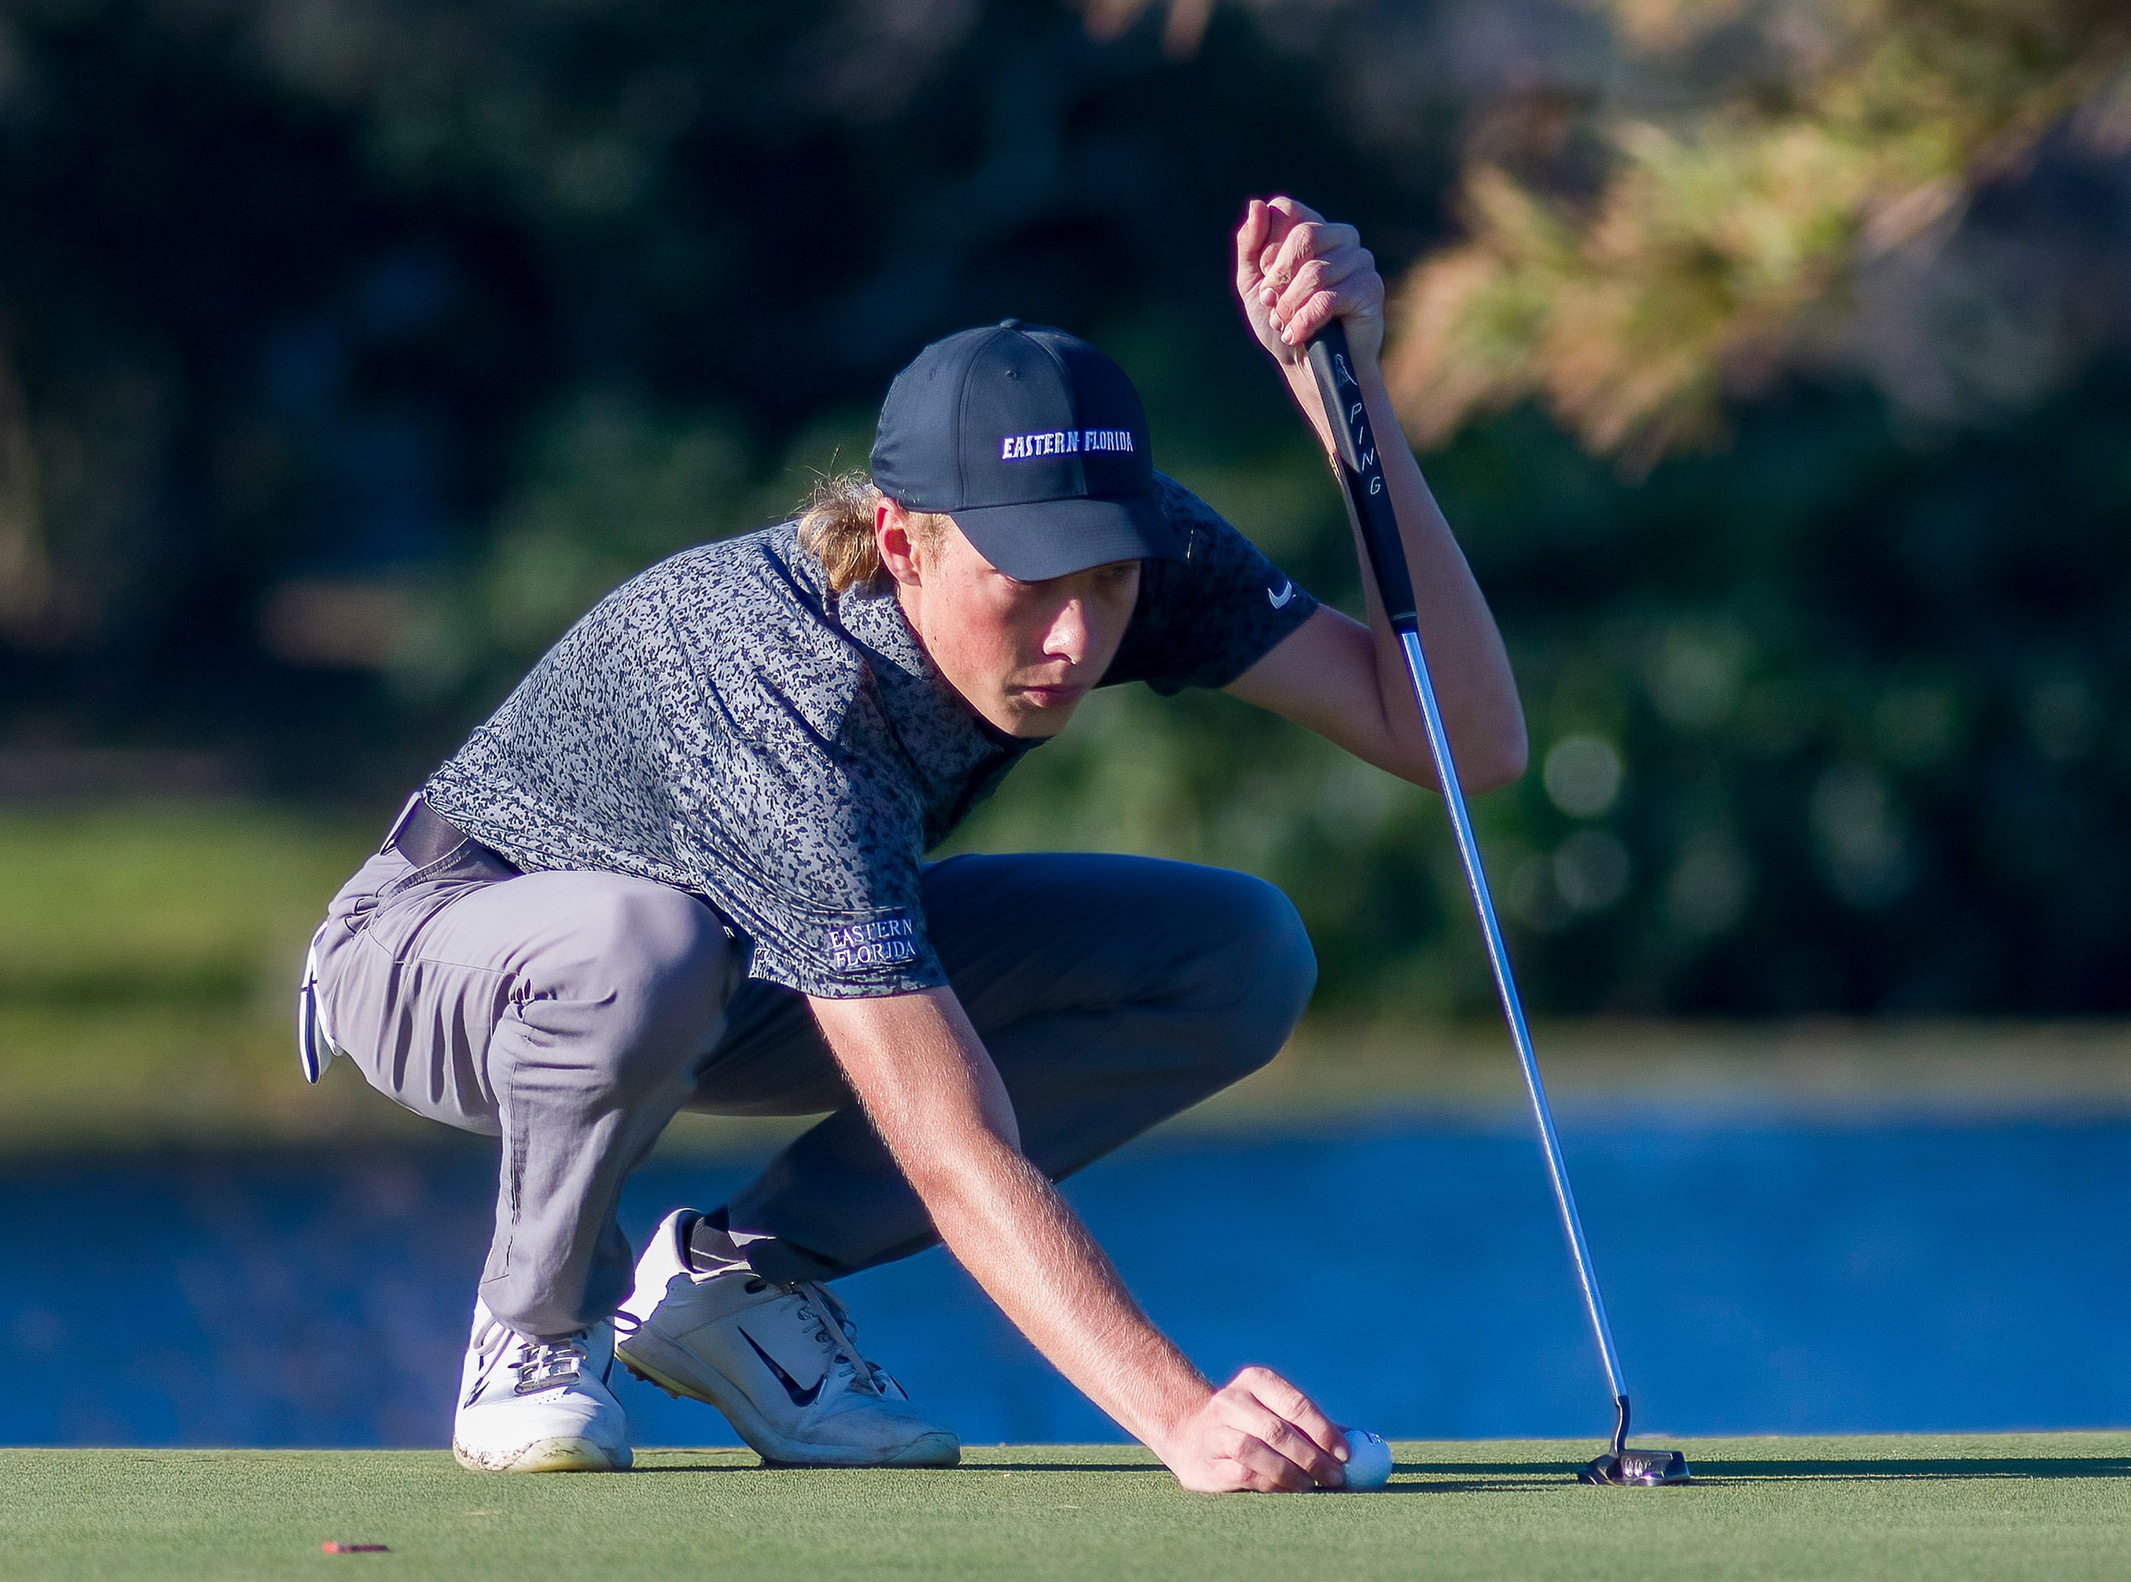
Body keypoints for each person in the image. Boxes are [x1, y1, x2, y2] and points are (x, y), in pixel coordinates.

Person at [298, 196, 1526, 1493]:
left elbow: (1463, 740)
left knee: (1236, 952)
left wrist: (1344, 401)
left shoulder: (1126, 551)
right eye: (1028, 583)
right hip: (442, 951)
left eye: (1106, 582)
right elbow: (954, 1143)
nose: (1072, 637)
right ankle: (533, 1332)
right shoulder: (786, 694)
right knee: (641, 946)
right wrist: (1181, 1417)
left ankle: (727, 1280)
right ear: (899, 538)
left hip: (730, 967)